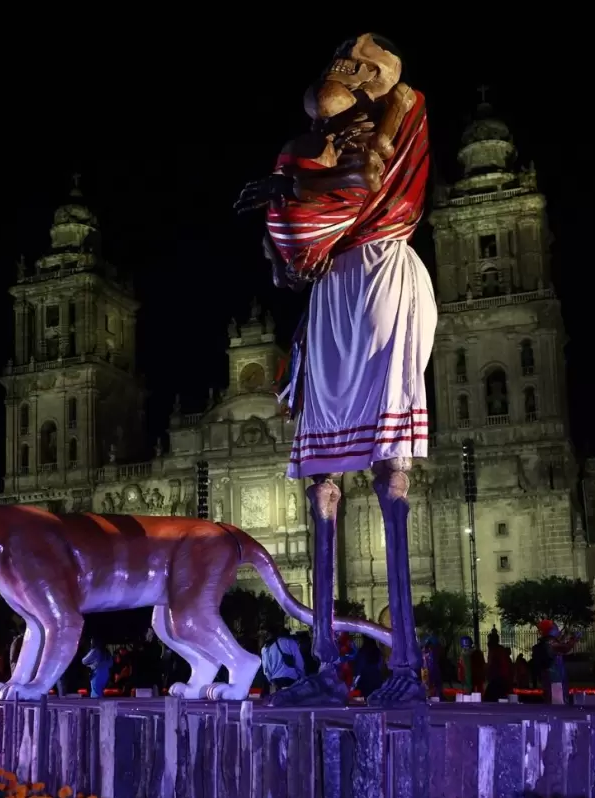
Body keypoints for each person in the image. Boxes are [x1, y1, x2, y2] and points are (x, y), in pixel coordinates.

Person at [236, 34, 434, 706]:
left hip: (382, 273)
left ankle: (404, 668)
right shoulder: (315, 150)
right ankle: (323, 666)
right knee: (320, 475)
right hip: (335, 291)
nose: (326, 126)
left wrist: (295, 185)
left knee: (389, 470)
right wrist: (290, 244)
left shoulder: (398, 117)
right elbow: (295, 259)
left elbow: (365, 182)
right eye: (320, 119)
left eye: (336, 112)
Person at [261, 627, 304, 696]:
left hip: (276, 681)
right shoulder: (290, 642)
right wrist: (301, 675)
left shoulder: (265, 648)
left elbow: (266, 669)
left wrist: (271, 680)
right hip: (291, 678)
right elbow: (299, 661)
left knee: (277, 703)